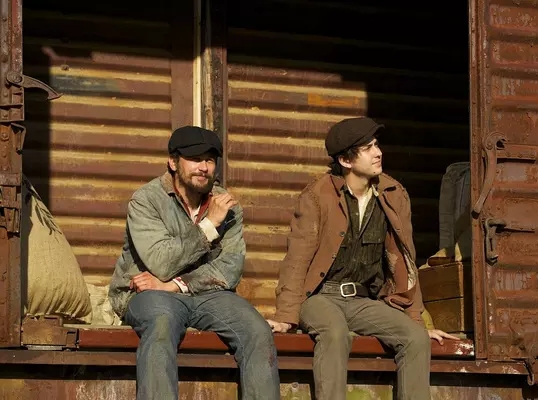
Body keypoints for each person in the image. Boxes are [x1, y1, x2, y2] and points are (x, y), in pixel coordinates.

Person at [267, 117, 459, 400]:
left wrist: (415, 320)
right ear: (346, 160)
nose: (378, 153)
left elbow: (404, 261)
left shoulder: (393, 194)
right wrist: (286, 316)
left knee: (416, 339)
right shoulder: (317, 196)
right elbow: (297, 259)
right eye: (368, 148)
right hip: (319, 298)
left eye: (377, 145)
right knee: (335, 332)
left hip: (362, 300)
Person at [109, 126, 280, 400]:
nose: (203, 167)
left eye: (210, 160)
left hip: (205, 294)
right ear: (173, 162)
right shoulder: (147, 200)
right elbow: (160, 262)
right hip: (147, 293)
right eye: (195, 159)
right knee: (161, 323)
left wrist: (176, 285)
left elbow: (230, 269)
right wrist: (209, 225)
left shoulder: (227, 205)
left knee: (257, 330)